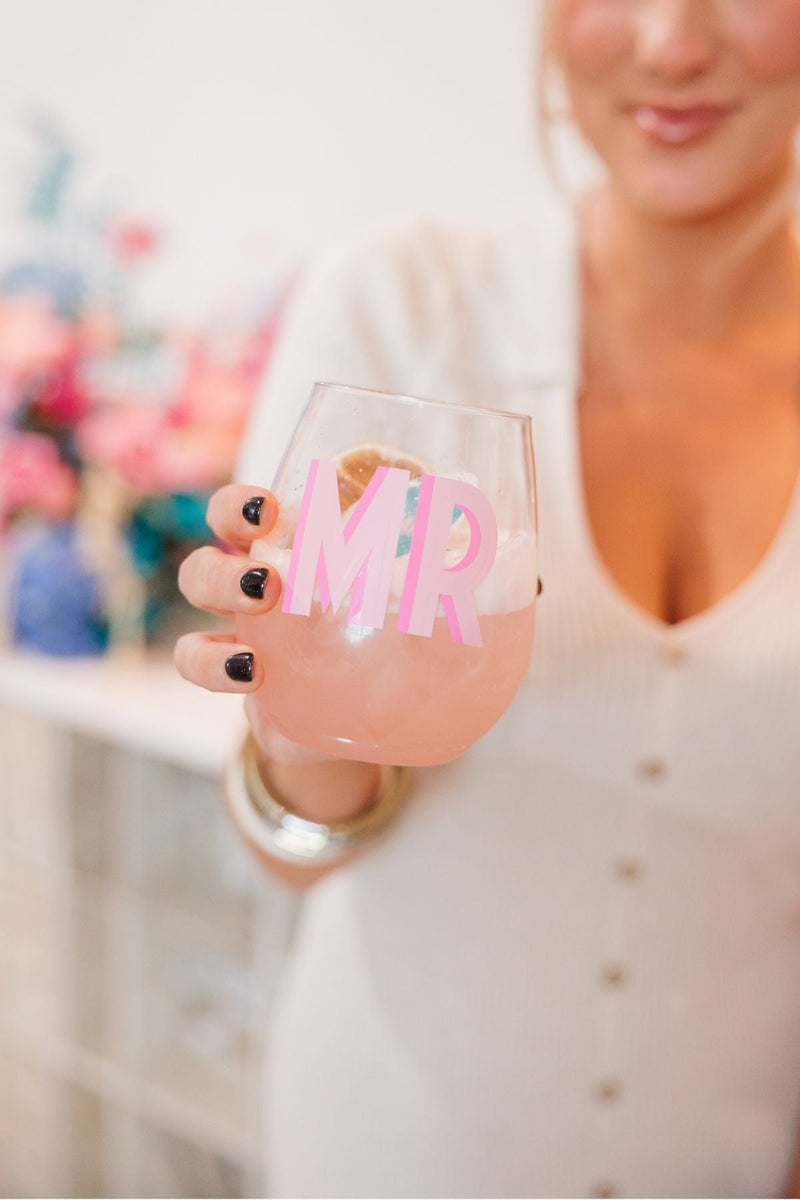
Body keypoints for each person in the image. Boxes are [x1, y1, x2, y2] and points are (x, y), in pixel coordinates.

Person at [174, 2, 800, 1195]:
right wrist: (297, 739)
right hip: (390, 1156)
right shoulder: (408, 310)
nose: (668, 42)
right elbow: (296, 852)